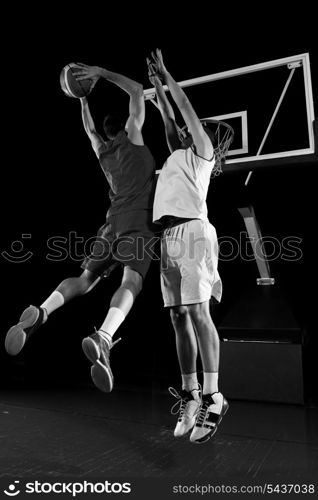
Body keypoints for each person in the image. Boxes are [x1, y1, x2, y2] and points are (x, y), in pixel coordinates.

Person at [5, 63, 157, 394]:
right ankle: (103, 336)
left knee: (86, 280)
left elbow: (90, 131)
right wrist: (101, 74)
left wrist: (82, 99)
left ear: (106, 131)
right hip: (136, 221)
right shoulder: (133, 138)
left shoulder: (103, 151)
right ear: (127, 126)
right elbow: (135, 89)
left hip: (110, 224)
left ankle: (43, 311)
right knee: (131, 279)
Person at [147, 49, 230, 444]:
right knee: (178, 316)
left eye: (191, 128)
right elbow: (168, 115)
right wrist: (157, 86)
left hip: (195, 233)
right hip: (168, 237)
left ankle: (214, 396)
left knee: (198, 313)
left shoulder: (202, 152)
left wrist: (167, 74)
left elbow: (182, 106)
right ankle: (191, 394)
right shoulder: (177, 153)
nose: (184, 129)